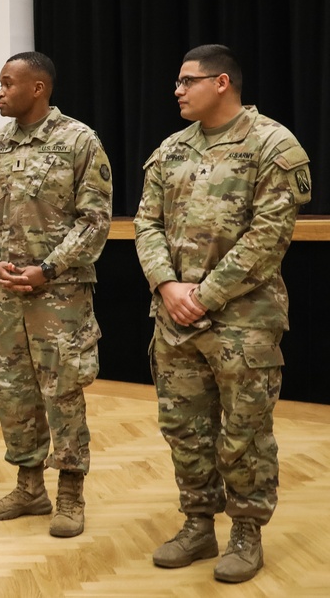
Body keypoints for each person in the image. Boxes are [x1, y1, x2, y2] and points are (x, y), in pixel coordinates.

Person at [134, 44, 311, 583]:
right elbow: (146, 224)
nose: (178, 90)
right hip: (174, 317)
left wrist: (204, 295)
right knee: (184, 428)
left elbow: (269, 236)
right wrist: (167, 285)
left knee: (245, 431)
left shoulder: (273, 144)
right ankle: (197, 523)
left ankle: (246, 531)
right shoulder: (170, 150)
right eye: (178, 81)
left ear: (222, 83)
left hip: (243, 320)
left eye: (188, 81)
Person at [0, 51, 112, 538]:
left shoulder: (79, 140)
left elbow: (94, 221)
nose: (0, 91)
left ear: (38, 88)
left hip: (61, 298)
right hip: (6, 297)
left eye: (8, 82)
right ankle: (29, 488)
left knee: (63, 393)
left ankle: (70, 491)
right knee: (13, 393)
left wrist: (46, 270)